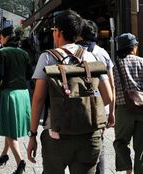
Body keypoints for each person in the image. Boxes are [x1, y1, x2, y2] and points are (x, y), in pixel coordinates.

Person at [27, 10, 113, 174]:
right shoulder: (91, 57)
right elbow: (108, 96)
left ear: (58, 32)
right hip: (89, 135)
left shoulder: (47, 58)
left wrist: (32, 135)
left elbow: (38, 100)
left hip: (56, 135)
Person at [113, 33, 143, 174]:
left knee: (120, 142)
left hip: (123, 109)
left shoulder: (115, 65)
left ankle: (128, 169)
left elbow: (111, 86)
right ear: (133, 47)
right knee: (142, 147)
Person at [76, 19, 115, 174]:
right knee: (98, 145)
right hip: (101, 107)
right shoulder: (103, 53)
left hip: (79, 105)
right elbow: (111, 85)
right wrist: (111, 112)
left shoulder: (74, 52)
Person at [0, 26, 32, 174]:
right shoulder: (24, 53)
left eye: (1, 37)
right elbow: (29, 75)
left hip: (9, 94)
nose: (0, 40)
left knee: (10, 131)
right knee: (10, 127)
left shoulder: (3, 52)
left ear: (6, 37)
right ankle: (4, 155)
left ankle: (20, 162)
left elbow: (0, 74)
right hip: (23, 94)